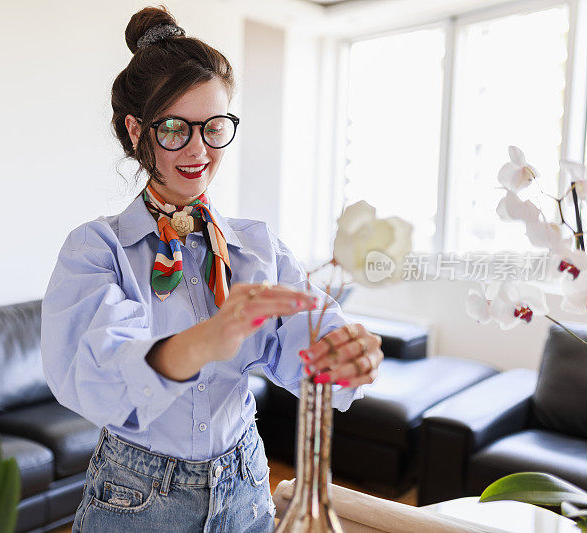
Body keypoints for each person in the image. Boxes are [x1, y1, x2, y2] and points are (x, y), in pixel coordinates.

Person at [40, 6, 383, 532]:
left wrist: (342, 355)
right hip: (138, 497)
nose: (199, 150)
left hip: (246, 483)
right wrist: (210, 338)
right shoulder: (96, 250)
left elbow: (303, 340)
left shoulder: (255, 246)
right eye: (176, 128)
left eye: (215, 127)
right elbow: (99, 375)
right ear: (137, 131)